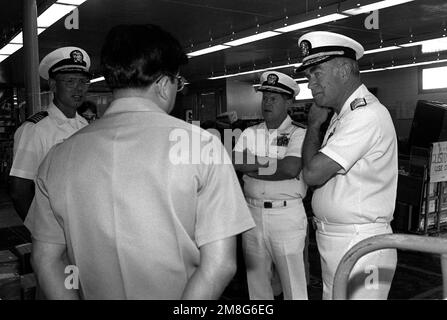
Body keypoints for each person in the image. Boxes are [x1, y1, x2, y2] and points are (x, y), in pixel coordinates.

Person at [25, 24, 255, 300]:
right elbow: (220, 265)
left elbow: (47, 260)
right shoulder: (202, 146)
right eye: (177, 83)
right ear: (162, 84)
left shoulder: (58, 157)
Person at [298, 31, 398, 300]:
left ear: (344, 70)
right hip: (340, 241)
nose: (311, 84)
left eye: (317, 72)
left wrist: (313, 125)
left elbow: (312, 173)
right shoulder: (344, 115)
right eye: (308, 77)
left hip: (362, 245)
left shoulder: (365, 115)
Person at [232, 71, 308, 300]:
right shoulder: (250, 132)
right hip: (252, 214)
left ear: (289, 101)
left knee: (293, 284)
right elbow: (237, 162)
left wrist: (254, 167)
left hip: (286, 214)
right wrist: (274, 165)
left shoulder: (299, 132)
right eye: (265, 97)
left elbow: (290, 169)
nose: (267, 102)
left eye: (273, 98)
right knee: (257, 283)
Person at [9, 46, 91, 220]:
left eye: (83, 82)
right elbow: (19, 189)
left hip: (82, 222)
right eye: (70, 81)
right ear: (53, 85)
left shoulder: (84, 125)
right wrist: (38, 230)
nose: (78, 88)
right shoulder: (35, 130)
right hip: (53, 226)